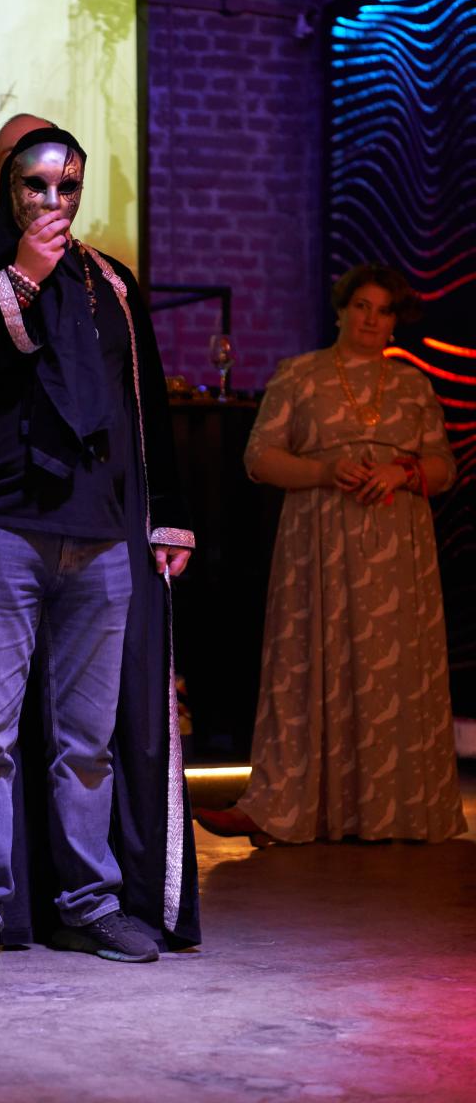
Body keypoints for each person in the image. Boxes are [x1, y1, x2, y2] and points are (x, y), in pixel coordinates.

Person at [0, 113, 200, 973]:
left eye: (67, 185)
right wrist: (24, 278)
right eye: (34, 183)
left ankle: (90, 903)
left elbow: (147, 403)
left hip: (101, 536)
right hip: (8, 531)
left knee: (88, 741)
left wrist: (168, 514)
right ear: (2, 184)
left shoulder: (112, 282)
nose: (52, 200)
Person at [196, 264, 466, 847]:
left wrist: (402, 472)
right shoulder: (300, 374)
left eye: (384, 310)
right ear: (342, 310)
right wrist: (324, 470)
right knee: (306, 660)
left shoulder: (413, 385)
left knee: (391, 671)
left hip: (396, 548)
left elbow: (444, 467)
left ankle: (390, 810)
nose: (372, 319)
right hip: (317, 539)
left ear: (395, 322)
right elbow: (259, 457)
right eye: (362, 305)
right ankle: (281, 804)